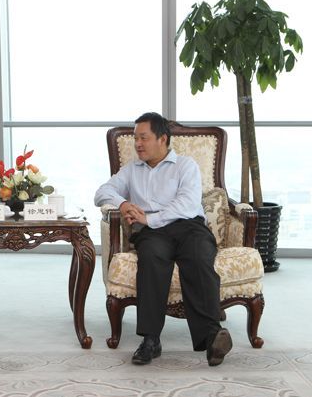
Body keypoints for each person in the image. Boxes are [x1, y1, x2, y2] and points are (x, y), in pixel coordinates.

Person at [94, 112, 232, 367]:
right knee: (151, 258)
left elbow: (187, 204)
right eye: (135, 138)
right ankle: (151, 340)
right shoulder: (131, 170)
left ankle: (213, 336)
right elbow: (102, 192)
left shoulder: (185, 165)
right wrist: (123, 203)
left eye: (143, 138)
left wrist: (149, 218)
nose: (137, 144)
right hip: (153, 234)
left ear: (163, 139)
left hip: (189, 227)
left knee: (198, 257)